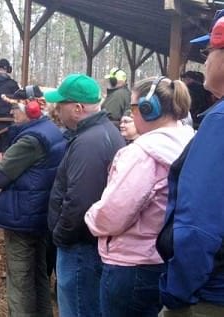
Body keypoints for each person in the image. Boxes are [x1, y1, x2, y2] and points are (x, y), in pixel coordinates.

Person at [84, 76, 194, 317]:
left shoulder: (142, 154)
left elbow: (114, 213)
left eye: (133, 108)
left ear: (148, 109)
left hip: (131, 264)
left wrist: (91, 217)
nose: (131, 114)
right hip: (165, 260)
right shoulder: (190, 142)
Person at [157, 10, 224, 317]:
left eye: (208, 51)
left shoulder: (220, 122)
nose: (205, 61)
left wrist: (177, 292)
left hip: (209, 296)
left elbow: (198, 226)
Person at [45, 74, 125, 317]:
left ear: (78, 108)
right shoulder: (104, 131)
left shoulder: (89, 142)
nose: (57, 111)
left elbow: (80, 202)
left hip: (80, 247)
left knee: (79, 308)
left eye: (61, 105)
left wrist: (60, 235)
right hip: (90, 243)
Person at [0, 85, 66, 317]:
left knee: (20, 280)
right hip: (41, 214)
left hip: (22, 216)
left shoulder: (30, 139)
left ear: (31, 109)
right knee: (39, 275)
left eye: (14, 108)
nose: (11, 113)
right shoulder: (51, 129)